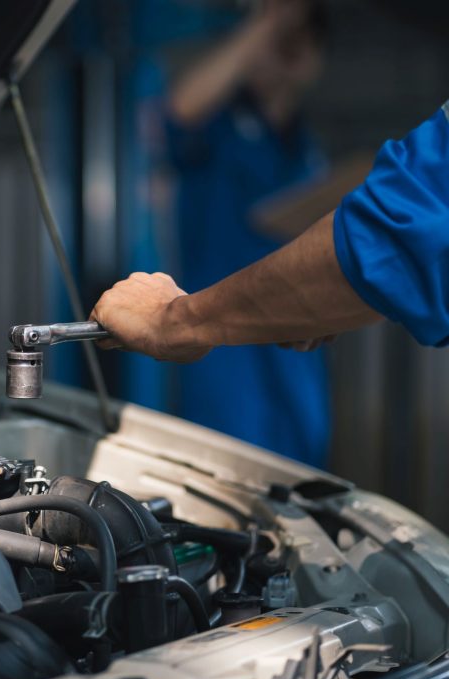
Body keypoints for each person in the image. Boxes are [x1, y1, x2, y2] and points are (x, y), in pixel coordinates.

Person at [90, 101, 449, 391]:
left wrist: (172, 321)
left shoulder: (304, 148)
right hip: (245, 354)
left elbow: (393, 241)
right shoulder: (217, 136)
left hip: (275, 355)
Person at [165, 0, 330, 464]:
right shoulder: (218, 125)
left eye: (299, 44)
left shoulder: (304, 145)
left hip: (295, 341)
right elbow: (179, 107)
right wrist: (268, 22)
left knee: (299, 472)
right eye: (279, 43)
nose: (286, 53)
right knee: (227, 473)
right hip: (226, 341)